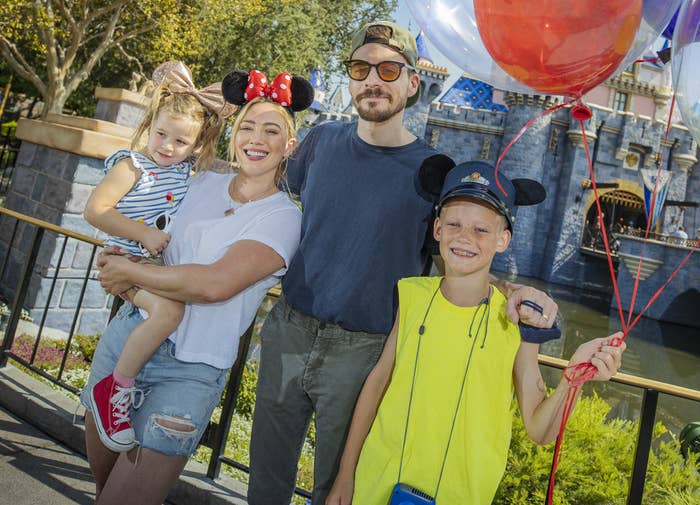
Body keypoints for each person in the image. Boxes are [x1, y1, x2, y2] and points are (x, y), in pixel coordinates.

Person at [247, 21, 560, 505]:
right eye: (361, 68)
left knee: (336, 488)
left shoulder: (431, 172)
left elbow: (459, 254)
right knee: (265, 478)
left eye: (389, 69)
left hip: (363, 350)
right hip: (289, 328)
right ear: (350, 79)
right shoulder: (320, 141)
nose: (373, 79)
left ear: (413, 83)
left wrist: (511, 294)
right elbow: (262, 197)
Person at [326, 161, 626, 505]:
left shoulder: (519, 322)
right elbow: (378, 383)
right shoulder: (411, 295)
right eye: (454, 224)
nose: (465, 237)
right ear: (437, 229)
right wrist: (346, 474)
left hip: (461, 494)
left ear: (503, 240)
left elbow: (540, 430)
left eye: (482, 230)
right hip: (375, 482)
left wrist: (574, 378)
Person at [81, 69, 314, 505]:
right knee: (103, 488)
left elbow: (212, 285)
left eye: (271, 130)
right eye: (246, 126)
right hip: (129, 338)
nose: (256, 138)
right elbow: (139, 205)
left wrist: (129, 275)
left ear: (289, 147)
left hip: (189, 371)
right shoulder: (197, 182)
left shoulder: (284, 217)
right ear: (231, 136)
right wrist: (122, 257)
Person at [83, 61, 236, 453]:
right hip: (130, 261)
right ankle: (116, 388)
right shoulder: (133, 167)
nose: (167, 146)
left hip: (149, 268)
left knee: (168, 312)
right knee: (170, 313)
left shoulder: (187, 173)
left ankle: (117, 386)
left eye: (180, 142)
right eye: (161, 134)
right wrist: (144, 234)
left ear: (198, 145)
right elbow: (96, 210)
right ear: (149, 127)